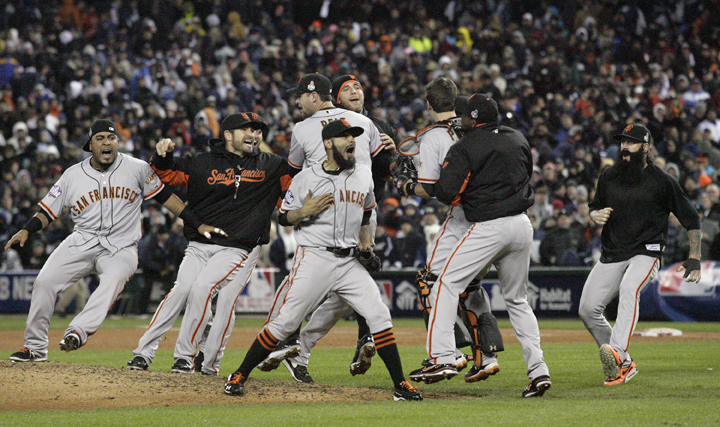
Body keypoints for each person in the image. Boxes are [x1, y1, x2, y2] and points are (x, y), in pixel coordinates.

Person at [223, 119, 421, 401]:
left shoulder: (363, 173)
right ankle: (240, 373)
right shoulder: (306, 177)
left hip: (349, 261)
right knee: (286, 323)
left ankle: (400, 385)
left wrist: (366, 244)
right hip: (315, 257)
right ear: (328, 144)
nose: (352, 141)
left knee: (379, 315)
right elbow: (284, 216)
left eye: (354, 137)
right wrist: (303, 212)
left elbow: (366, 213)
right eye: (345, 137)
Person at [7, 119, 221, 362]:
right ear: (90, 145)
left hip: (121, 247)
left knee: (112, 280)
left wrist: (197, 222)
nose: (107, 142)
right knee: (44, 282)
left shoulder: (137, 167)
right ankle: (35, 347)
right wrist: (27, 229)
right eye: (100, 138)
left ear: (118, 142)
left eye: (111, 138)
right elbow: (48, 211)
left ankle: (77, 332)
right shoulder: (72, 175)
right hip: (82, 240)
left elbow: (167, 198)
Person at [127, 113, 294, 375]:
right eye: (246, 130)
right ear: (227, 135)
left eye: (258, 130)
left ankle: (188, 357)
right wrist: (162, 154)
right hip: (199, 243)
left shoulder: (272, 165)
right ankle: (143, 353)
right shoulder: (201, 162)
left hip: (237, 247)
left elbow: (292, 195)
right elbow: (166, 174)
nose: (254, 134)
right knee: (180, 291)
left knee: (205, 289)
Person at [411, 95, 552, 397]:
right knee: (518, 300)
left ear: (473, 119)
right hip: (522, 225)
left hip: (490, 226)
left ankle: (443, 357)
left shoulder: (464, 146)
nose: (458, 121)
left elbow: (447, 193)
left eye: (462, 116)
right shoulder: (517, 137)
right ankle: (539, 370)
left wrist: (411, 185)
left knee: (445, 284)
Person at [257, 73, 393, 380]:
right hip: (359, 210)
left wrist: (289, 205)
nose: (297, 101)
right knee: (335, 292)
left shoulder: (304, 127)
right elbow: (383, 168)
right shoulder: (366, 124)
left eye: (300, 96)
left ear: (314, 96)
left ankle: (292, 342)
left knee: (321, 288)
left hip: (324, 211)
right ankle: (296, 341)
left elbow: (290, 171)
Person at [398, 79, 505, 384]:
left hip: (461, 218)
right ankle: (487, 356)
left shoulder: (432, 136)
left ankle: (446, 355)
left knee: (429, 281)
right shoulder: (472, 127)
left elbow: (432, 188)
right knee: (469, 287)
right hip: (491, 217)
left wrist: (405, 185)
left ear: (428, 104)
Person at [578, 124, 701, 386]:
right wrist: (593, 215)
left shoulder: (663, 181)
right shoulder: (609, 175)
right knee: (588, 309)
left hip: (647, 251)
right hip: (613, 251)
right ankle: (622, 361)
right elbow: (595, 206)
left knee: (629, 287)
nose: (625, 147)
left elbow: (691, 220)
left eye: (632, 142)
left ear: (645, 147)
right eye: (623, 141)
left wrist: (695, 257)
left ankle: (619, 354)